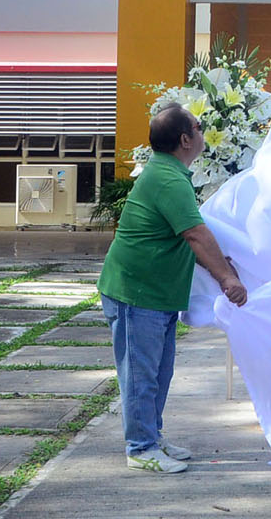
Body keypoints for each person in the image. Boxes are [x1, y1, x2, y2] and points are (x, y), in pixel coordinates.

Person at [97, 104, 248, 474]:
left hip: (155, 294)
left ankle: (152, 436)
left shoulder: (169, 174)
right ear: (185, 139)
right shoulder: (167, 179)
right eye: (198, 128)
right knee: (140, 374)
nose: (200, 133)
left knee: (159, 372)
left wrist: (226, 267)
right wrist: (228, 279)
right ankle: (140, 447)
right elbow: (195, 234)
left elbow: (188, 237)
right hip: (136, 293)